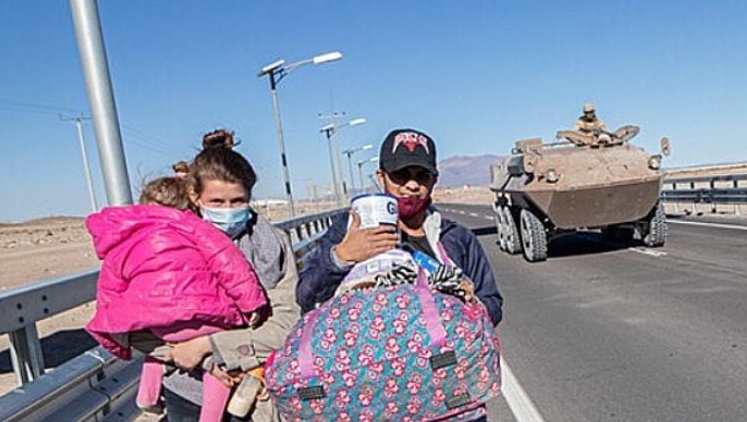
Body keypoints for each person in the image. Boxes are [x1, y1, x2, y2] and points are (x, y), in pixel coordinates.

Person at [85, 176, 269, 422]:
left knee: (159, 351)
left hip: (160, 328)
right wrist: (251, 302)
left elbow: (110, 289)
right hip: (205, 316)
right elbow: (227, 262)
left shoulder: (122, 239)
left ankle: (147, 398)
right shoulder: (191, 225)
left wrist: (112, 336)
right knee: (218, 370)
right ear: (188, 205)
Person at [297, 128, 502, 326]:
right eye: (401, 175)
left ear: (434, 181)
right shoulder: (348, 230)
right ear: (381, 177)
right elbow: (305, 296)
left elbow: (492, 302)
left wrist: (465, 307)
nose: (412, 185)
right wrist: (341, 257)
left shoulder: (457, 238)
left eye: (422, 176)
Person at [163, 130, 301, 422]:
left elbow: (285, 323)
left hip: (258, 393)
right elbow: (144, 318)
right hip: (189, 392)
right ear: (194, 196)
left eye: (238, 201)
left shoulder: (273, 244)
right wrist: (196, 360)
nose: (228, 211)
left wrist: (209, 347)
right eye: (217, 202)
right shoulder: (169, 243)